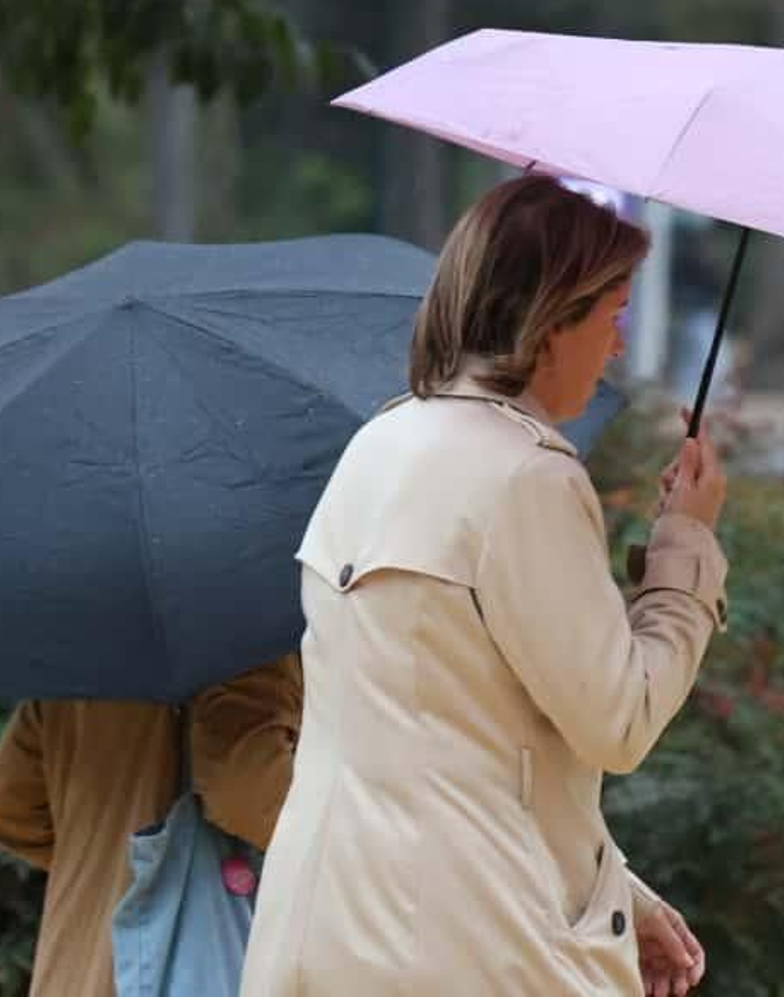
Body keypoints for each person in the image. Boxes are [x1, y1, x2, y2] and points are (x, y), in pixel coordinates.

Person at [240, 175, 729, 997]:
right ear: (552, 321)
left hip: (323, 935)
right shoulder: (526, 477)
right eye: (612, 314)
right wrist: (688, 541)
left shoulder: (378, 444)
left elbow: (448, 747)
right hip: (469, 947)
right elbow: (620, 721)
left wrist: (615, 893)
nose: (616, 346)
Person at [0, 653, 302, 997]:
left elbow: (7, 809)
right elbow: (244, 793)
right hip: (175, 968)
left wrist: (108, 865)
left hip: (73, 967)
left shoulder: (75, 652)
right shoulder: (251, 645)